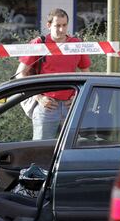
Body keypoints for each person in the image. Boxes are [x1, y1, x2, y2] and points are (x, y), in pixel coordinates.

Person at [15, 8, 91, 140]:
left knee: (72, 154)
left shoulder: (76, 44)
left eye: (64, 25)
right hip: (47, 107)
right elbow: (19, 74)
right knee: (41, 152)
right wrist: (38, 98)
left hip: (71, 106)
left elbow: (87, 75)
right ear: (49, 25)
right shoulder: (39, 43)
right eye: (57, 26)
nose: (61, 29)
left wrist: (78, 97)